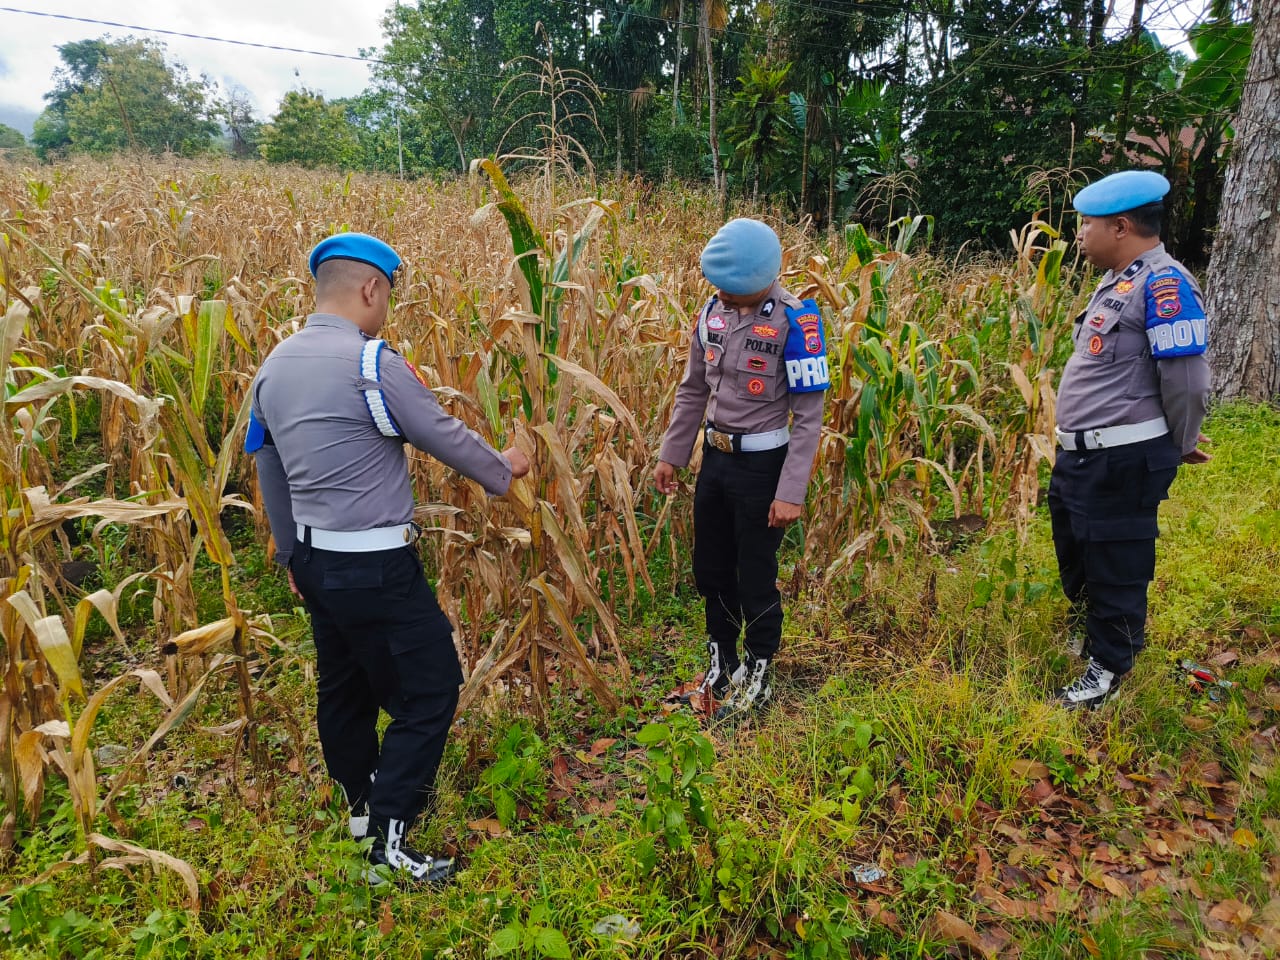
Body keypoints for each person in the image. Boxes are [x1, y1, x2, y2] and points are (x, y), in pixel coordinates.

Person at [246, 232, 531, 884]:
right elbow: (438, 431)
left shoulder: (275, 365)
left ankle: (358, 815)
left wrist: (290, 553)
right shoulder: (372, 363)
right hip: (375, 564)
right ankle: (389, 843)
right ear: (371, 289)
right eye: (387, 296)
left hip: (315, 560)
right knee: (430, 689)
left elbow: (268, 464)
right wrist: (505, 467)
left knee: (343, 686)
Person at [653, 218, 829, 721]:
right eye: (718, 286)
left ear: (761, 277)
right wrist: (672, 454)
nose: (722, 295)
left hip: (763, 467)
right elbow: (692, 390)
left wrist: (791, 491)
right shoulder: (712, 314)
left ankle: (759, 671)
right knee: (711, 568)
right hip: (715, 461)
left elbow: (809, 417)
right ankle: (723, 663)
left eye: (732, 288)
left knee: (755, 574)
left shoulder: (797, 322)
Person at [1051, 171, 1211, 710]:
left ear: (1121, 227)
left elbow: (1186, 381)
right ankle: (1093, 636)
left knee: (1116, 562)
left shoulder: (1165, 285)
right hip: (1081, 455)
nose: (1079, 234)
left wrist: (1180, 443)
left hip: (1121, 457)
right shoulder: (1119, 279)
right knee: (1078, 553)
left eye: (1087, 224)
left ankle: (1109, 670)